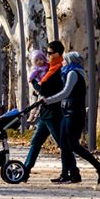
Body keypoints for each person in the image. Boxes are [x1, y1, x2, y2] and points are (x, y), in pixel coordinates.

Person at [40, 51, 100, 185]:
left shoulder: (73, 73)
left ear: (70, 61)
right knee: (64, 145)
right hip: (68, 112)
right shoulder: (69, 73)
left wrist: (49, 100)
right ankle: (67, 175)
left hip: (74, 113)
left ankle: (99, 166)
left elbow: (66, 92)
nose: (62, 63)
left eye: (64, 60)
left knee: (73, 145)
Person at [24, 46, 63, 180]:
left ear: (57, 54)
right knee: (36, 141)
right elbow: (43, 90)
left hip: (52, 113)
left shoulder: (54, 70)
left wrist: (33, 83)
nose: (47, 56)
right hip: (45, 114)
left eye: (50, 53)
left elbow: (44, 89)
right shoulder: (50, 69)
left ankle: (71, 171)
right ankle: (25, 170)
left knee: (62, 143)